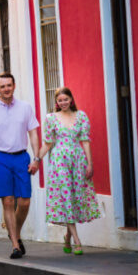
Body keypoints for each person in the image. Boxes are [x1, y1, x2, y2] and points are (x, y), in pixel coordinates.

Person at [0, 72, 41, 259]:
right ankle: (15, 244)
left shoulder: (25, 107)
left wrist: (36, 158)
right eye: (2, 86)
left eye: (9, 85)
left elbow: (33, 134)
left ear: (14, 86)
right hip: (0, 158)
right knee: (8, 201)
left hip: (21, 157)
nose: (6, 89)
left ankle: (15, 231)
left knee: (24, 202)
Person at [36, 87, 101, 255]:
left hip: (77, 161)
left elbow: (85, 140)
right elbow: (48, 143)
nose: (63, 102)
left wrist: (90, 164)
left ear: (71, 99)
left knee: (75, 198)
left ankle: (67, 238)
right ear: (56, 102)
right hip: (59, 162)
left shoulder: (81, 116)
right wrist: (36, 160)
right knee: (65, 198)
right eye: (60, 100)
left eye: (65, 99)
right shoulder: (51, 118)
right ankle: (78, 242)